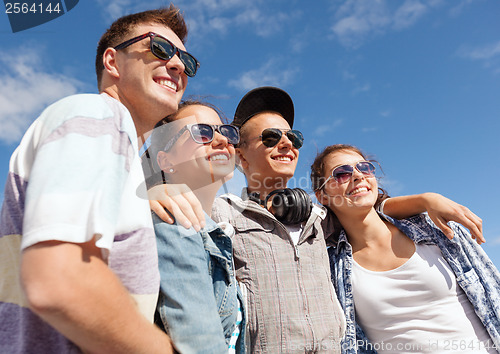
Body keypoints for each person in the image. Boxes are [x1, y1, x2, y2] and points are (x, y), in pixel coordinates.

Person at [208, 86, 486, 353]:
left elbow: (364, 207)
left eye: (294, 138)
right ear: (241, 157)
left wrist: (426, 200)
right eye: (270, 137)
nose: (286, 144)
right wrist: (166, 190)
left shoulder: (319, 219)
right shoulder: (221, 214)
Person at [0, 5, 199, 353]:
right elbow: (61, 280)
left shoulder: (117, 151)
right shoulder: (97, 114)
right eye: (160, 48)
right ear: (112, 62)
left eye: (187, 61)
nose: (178, 65)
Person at [311, 144, 500, 354]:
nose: (357, 176)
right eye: (341, 173)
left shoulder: (438, 230)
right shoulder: (330, 268)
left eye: (364, 167)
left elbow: (494, 293)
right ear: (323, 196)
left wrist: (427, 198)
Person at [144, 100, 246, 353]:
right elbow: (200, 343)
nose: (222, 140)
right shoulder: (172, 218)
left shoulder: (214, 233)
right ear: (166, 161)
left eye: (228, 133)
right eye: (202, 132)